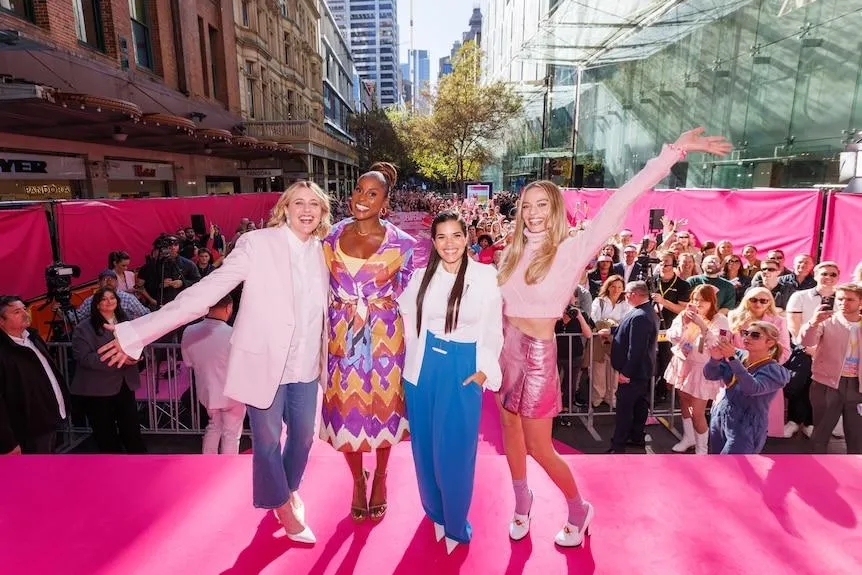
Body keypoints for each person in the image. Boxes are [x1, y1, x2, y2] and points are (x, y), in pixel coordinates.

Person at [495, 127, 732, 546]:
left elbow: (624, 196)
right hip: (506, 351)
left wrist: (672, 152)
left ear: (555, 210)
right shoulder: (511, 252)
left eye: (541, 205)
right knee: (510, 433)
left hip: (536, 355)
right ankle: (520, 502)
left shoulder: (573, 247)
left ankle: (577, 508)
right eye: (526, 206)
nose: (532, 213)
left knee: (539, 447)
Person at [96, 181, 332, 545]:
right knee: (267, 443)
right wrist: (140, 332)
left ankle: (288, 487)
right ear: (284, 208)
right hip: (262, 364)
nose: (306, 210)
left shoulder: (323, 251)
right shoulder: (257, 244)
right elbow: (205, 292)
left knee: (303, 437)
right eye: (298, 202)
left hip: (305, 365)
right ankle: (283, 506)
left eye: (314, 204)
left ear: (322, 212)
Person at [397, 210, 503, 554]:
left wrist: (485, 369)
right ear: (433, 241)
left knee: (455, 452)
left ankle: (457, 524)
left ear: (467, 236)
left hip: (463, 366)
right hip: (423, 367)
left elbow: (492, 328)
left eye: (456, 235)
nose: (449, 244)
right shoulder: (420, 278)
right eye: (441, 237)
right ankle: (436, 514)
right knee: (425, 449)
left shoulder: (485, 276)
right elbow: (401, 317)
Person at [320, 162, 416, 523]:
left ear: (385, 202)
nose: (361, 198)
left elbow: (411, 294)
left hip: (385, 339)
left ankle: (382, 475)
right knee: (349, 412)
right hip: (342, 339)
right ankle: (357, 482)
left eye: (372, 194)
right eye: (359, 190)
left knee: (386, 410)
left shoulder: (403, 244)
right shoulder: (329, 237)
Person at [71, 287, 146, 454]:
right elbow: (84, 358)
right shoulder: (83, 328)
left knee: (132, 429)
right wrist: (119, 358)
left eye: (112, 298)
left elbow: (139, 347)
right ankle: (112, 469)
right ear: (97, 304)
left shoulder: (127, 323)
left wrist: (136, 358)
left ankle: (141, 464)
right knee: (106, 433)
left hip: (125, 385)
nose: (109, 301)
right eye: (104, 299)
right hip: (98, 390)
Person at [704, 322, 790, 454]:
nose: (747, 337)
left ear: (770, 343)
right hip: (721, 416)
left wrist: (732, 359)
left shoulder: (776, 371)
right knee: (717, 465)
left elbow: (752, 388)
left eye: (755, 335)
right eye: (745, 333)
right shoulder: (738, 354)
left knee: (734, 467)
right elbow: (710, 375)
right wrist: (714, 359)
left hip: (746, 425)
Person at [664, 285, 729, 454]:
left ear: (711, 302)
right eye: (694, 299)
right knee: (685, 401)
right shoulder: (684, 315)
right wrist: (684, 325)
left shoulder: (720, 320)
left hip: (703, 370)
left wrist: (702, 326)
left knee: (697, 411)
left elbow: (717, 346)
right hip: (684, 364)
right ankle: (689, 437)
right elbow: (672, 336)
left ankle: (702, 449)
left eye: (702, 300)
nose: (697, 304)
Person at [0, 295, 69, 454]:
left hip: (52, 420)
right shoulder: (4, 352)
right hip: (27, 431)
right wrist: (7, 442)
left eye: (24, 309)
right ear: (1, 321)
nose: (25, 314)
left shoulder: (33, 338)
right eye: (17, 312)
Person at [799, 283, 862, 453]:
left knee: (858, 437)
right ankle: (817, 474)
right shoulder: (826, 321)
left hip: (858, 387)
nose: (843, 303)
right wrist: (813, 322)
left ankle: (856, 476)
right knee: (820, 434)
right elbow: (806, 342)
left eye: (850, 299)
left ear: (860, 301)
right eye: (840, 299)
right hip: (826, 384)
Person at [181, 294, 246, 455]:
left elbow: (188, 362)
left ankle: (207, 464)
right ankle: (226, 472)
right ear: (229, 308)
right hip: (233, 393)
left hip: (207, 392)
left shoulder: (189, 331)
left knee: (213, 427)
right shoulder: (234, 334)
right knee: (230, 435)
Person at [606, 281, 660, 453]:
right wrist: (613, 331)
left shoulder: (640, 316)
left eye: (627, 293)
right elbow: (629, 333)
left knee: (625, 409)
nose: (625, 296)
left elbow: (636, 348)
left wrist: (626, 373)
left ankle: (618, 445)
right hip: (640, 371)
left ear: (635, 294)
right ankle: (636, 437)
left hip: (634, 372)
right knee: (639, 405)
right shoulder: (643, 312)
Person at [590, 275, 631, 408]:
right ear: (608, 287)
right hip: (600, 339)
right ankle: (597, 397)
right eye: (613, 286)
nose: (616, 289)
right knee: (598, 369)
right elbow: (595, 318)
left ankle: (611, 397)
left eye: (619, 287)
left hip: (617, 340)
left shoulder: (625, 303)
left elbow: (626, 321)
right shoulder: (599, 301)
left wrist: (612, 327)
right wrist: (607, 325)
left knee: (614, 370)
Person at [76, 269, 150, 322]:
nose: (109, 282)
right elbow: (77, 317)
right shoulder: (90, 300)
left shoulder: (128, 298)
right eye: (105, 279)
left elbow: (146, 314)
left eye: (112, 279)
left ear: (117, 282)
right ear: (99, 283)